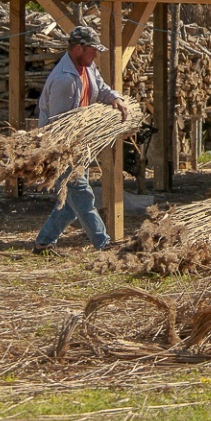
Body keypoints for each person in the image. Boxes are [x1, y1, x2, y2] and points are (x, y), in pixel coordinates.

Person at [30, 26, 130, 254]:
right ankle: (104, 245)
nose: (95, 55)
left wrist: (116, 99)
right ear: (78, 49)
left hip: (80, 145)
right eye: (92, 51)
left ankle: (44, 242)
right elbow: (61, 126)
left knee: (70, 201)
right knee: (82, 194)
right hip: (62, 149)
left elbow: (101, 88)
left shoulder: (86, 66)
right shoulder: (64, 80)